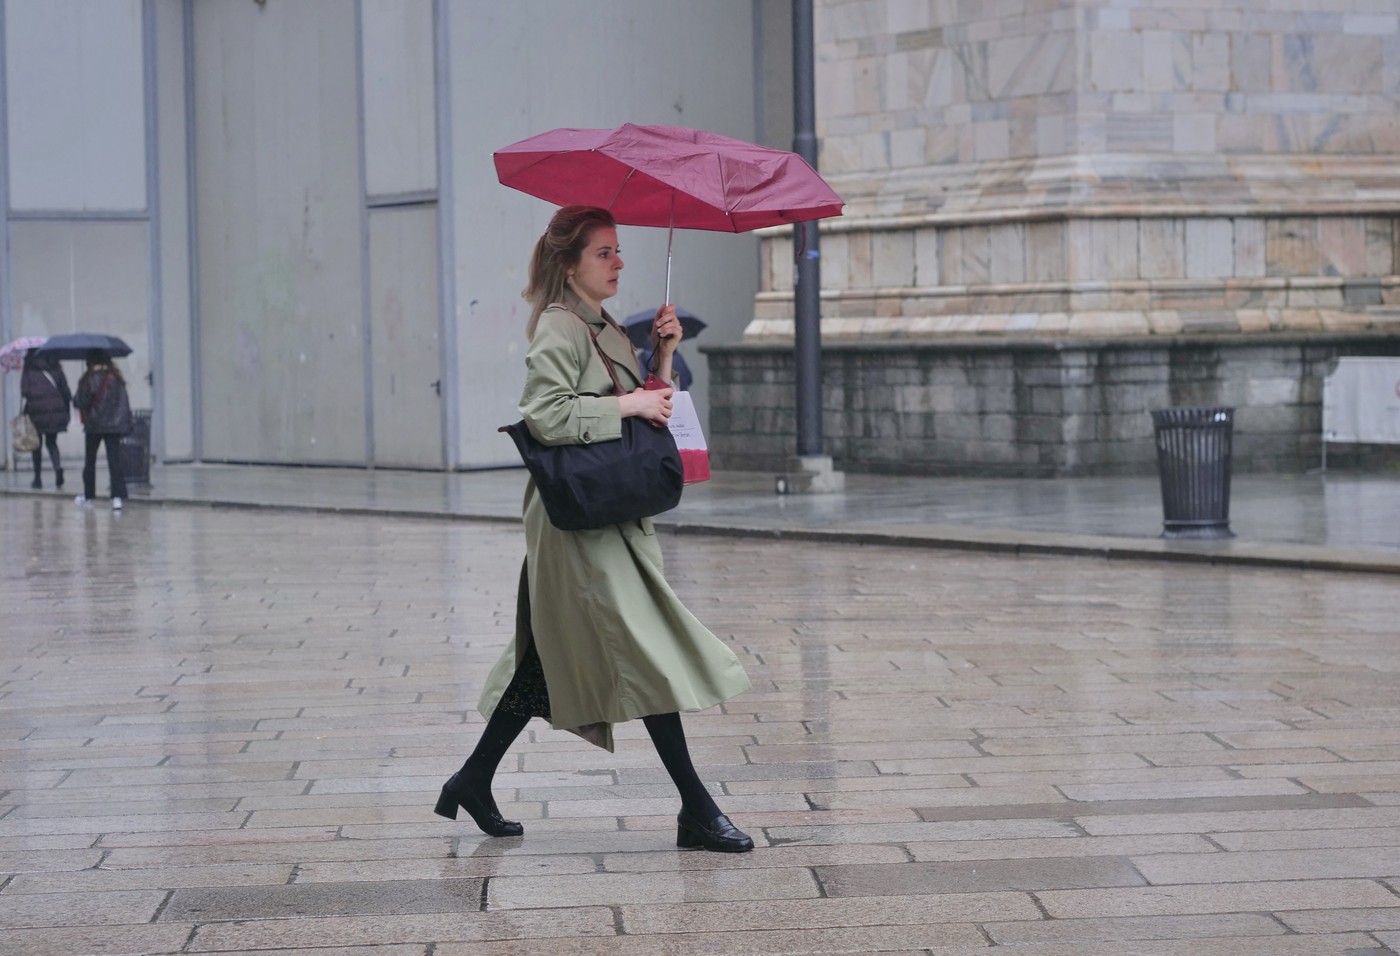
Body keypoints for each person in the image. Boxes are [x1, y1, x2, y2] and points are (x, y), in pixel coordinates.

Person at [435, 206, 754, 852]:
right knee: (646, 649)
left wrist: (661, 358)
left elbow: (646, 416)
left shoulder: (600, 323)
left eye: (618, 250)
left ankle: (471, 780)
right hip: (578, 529)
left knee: (544, 665)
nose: (619, 262)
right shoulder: (559, 327)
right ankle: (696, 808)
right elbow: (546, 415)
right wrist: (631, 400)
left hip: (603, 517)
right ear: (569, 263)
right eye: (604, 252)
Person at [72, 350, 132, 511]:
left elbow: (79, 401)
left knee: (90, 461)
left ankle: (89, 495)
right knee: (114, 461)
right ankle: (116, 497)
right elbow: (123, 403)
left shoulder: (88, 379)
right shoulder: (116, 378)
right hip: (114, 427)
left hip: (94, 426)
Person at [19, 348, 71, 489]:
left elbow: (24, 392)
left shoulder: (29, 369)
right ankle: (57, 468)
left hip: (36, 412)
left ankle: (37, 479)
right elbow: (65, 390)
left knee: (36, 446)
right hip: (54, 412)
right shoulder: (56, 367)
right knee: (52, 442)